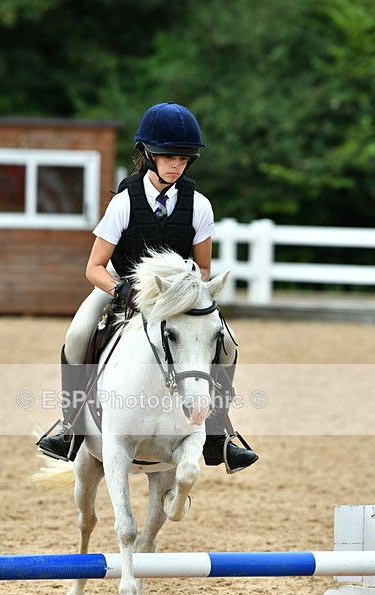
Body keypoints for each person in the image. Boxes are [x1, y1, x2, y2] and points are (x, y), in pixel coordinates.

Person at [37, 101, 258, 474]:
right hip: (122, 291)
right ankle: (70, 425)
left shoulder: (199, 205)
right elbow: (93, 268)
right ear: (148, 154)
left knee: (229, 344)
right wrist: (123, 290)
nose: (177, 165)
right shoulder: (123, 203)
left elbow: (203, 267)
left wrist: (181, 293)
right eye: (169, 157)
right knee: (76, 336)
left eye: (184, 159)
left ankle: (219, 430)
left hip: (177, 300)